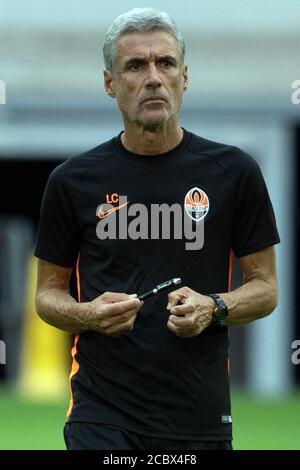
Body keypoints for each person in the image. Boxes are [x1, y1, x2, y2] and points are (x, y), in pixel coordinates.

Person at [34, 8, 280, 451]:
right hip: (100, 416)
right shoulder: (72, 181)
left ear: (184, 77)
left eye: (165, 63)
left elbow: (266, 288)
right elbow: (46, 295)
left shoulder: (234, 172)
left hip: (198, 417)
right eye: (135, 65)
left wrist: (213, 307)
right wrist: (89, 314)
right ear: (110, 83)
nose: (153, 78)